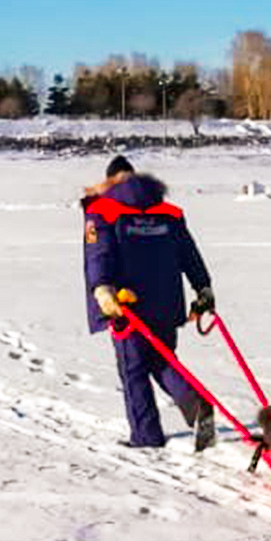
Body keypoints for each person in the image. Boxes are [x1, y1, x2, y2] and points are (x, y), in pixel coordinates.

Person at [83, 156, 219, 450]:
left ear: (110, 182)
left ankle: (146, 436)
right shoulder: (167, 211)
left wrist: (101, 290)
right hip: (167, 303)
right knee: (161, 358)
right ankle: (195, 402)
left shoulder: (102, 210)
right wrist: (203, 288)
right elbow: (189, 254)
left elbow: (99, 255)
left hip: (126, 305)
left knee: (132, 371)